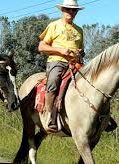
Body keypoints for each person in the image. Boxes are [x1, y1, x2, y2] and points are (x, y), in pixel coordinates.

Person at [38, 0, 85, 132]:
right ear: (62, 10)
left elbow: (81, 49)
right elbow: (41, 46)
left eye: (73, 10)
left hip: (76, 63)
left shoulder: (79, 30)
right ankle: (50, 116)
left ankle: (100, 116)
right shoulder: (54, 25)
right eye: (68, 9)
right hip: (57, 61)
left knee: (93, 80)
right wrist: (60, 50)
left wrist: (80, 52)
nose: (71, 12)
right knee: (53, 81)